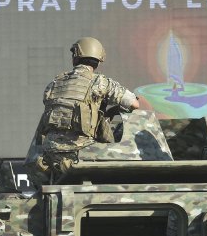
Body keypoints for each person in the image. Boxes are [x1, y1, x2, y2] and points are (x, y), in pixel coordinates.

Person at [25, 37, 141, 186]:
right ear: (98, 60)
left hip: (49, 157)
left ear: (75, 57)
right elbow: (134, 104)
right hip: (80, 155)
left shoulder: (54, 83)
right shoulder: (101, 82)